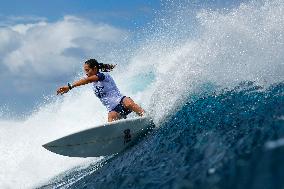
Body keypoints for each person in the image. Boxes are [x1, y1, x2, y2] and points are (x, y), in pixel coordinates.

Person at [56, 59, 145, 122]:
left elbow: (88, 80)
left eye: (88, 70)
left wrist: (70, 86)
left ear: (95, 68)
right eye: (85, 71)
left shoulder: (103, 75)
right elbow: (85, 80)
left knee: (128, 102)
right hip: (113, 109)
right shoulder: (92, 81)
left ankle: (146, 117)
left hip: (121, 101)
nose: (86, 73)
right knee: (111, 117)